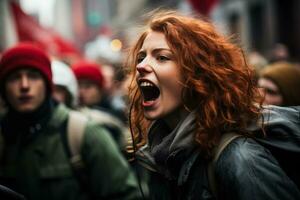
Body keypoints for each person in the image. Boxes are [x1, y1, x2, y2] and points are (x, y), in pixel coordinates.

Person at [126, 10, 300, 199]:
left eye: (162, 57)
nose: (140, 66)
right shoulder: (159, 156)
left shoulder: (241, 160)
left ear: (198, 75)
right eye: (141, 57)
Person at [0, 42, 141, 200]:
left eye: (33, 76)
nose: (24, 85)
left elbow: (126, 194)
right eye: (14, 78)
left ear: (47, 84)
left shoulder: (84, 133)